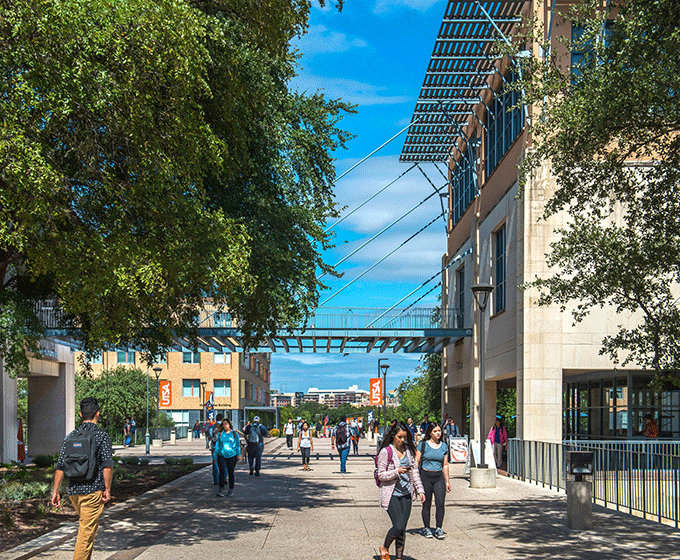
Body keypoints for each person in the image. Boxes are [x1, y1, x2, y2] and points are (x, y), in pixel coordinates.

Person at [51, 397, 114, 560]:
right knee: (86, 534)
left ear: (80, 414)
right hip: (92, 492)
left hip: (74, 493)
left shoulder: (70, 436)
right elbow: (107, 465)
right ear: (98, 414)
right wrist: (107, 489)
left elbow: (60, 466)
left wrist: (55, 491)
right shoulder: (102, 436)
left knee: (90, 530)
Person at [376, 421, 425, 560]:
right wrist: (396, 471)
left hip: (406, 493)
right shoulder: (386, 452)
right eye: (399, 437)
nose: (402, 440)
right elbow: (381, 475)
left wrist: (420, 490)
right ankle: (385, 547)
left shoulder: (409, 450)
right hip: (391, 493)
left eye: (404, 437)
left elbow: (414, 472)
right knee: (398, 526)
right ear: (393, 436)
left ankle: (399, 557)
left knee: (403, 528)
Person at [414, 423, 451, 539]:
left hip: (438, 477)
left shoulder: (444, 446)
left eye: (439, 431)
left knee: (440, 503)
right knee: (427, 504)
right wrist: (415, 480)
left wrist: (447, 481)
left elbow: (445, 464)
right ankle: (426, 528)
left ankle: (439, 528)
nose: (438, 433)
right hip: (425, 476)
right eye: (435, 431)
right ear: (430, 433)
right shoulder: (423, 444)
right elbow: (416, 461)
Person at [213, 417, 240, 497]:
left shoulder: (234, 434)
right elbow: (217, 446)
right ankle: (221, 489)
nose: (224, 425)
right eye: (223, 424)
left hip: (232, 456)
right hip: (222, 455)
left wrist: (238, 455)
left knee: (230, 472)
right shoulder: (220, 434)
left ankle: (231, 489)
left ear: (229, 425)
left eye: (226, 424)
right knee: (222, 472)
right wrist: (215, 456)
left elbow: (237, 445)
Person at [209, 414, 225, 485]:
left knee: (215, 463)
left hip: (214, 447)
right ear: (222, 419)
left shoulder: (212, 427)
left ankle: (216, 480)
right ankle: (224, 478)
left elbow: (209, 436)